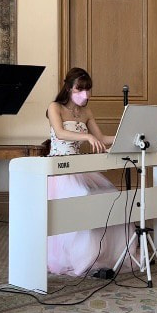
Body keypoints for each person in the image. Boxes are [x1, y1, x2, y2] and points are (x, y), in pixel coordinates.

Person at [46, 67, 134, 276]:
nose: (84, 94)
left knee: (109, 195)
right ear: (69, 87)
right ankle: (80, 257)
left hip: (80, 166)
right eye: (80, 89)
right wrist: (86, 137)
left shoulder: (86, 112)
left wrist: (127, 136)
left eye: (87, 89)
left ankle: (105, 253)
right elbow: (60, 133)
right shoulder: (55, 107)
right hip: (60, 168)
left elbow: (101, 138)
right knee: (83, 196)